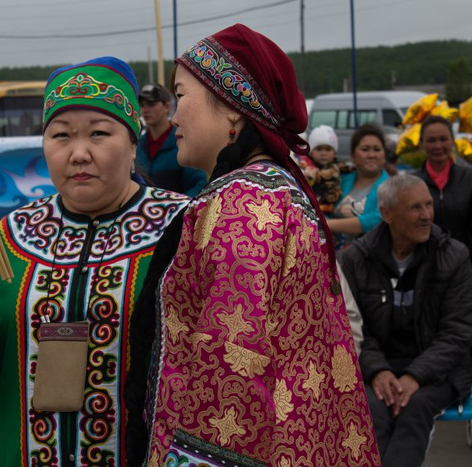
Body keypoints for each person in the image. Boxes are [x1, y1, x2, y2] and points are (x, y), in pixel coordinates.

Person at [125, 23, 380, 466]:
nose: (174, 114)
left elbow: (229, 381)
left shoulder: (243, 210)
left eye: (181, 95)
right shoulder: (276, 194)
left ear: (233, 110)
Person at [0, 57, 190, 466]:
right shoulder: (12, 235)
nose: (78, 153)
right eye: (60, 135)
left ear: (133, 142)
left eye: (99, 133)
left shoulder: (182, 229)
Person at [338, 173, 472, 467]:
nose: (426, 216)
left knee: (416, 407)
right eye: (415, 208)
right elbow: (355, 329)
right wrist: (377, 371)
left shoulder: (454, 256)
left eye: (428, 205)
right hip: (379, 364)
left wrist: (415, 376)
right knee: (371, 411)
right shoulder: (355, 260)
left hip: (438, 367)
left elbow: (458, 333)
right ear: (386, 214)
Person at [415, 114, 472, 257]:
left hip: (465, 263)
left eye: (443, 139)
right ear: (422, 143)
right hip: (424, 263)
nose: (438, 146)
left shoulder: (469, 177)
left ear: (452, 141)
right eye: (431, 140)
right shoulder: (412, 183)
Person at [136, 83, 207, 196]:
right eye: (142, 105)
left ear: (167, 107)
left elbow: (198, 184)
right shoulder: (137, 146)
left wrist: (180, 210)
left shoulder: (184, 141)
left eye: (151, 104)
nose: (145, 110)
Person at [328, 123, 390, 249]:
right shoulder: (340, 179)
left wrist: (326, 224)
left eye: (377, 149)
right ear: (353, 155)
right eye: (365, 149)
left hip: (367, 259)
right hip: (331, 256)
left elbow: (376, 219)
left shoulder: (391, 187)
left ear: (384, 156)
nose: (371, 155)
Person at [297, 124, 344, 213]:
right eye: (318, 149)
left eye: (328, 149)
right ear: (311, 152)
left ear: (334, 152)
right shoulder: (305, 169)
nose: (323, 153)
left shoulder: (340, 168)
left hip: (331, 211)